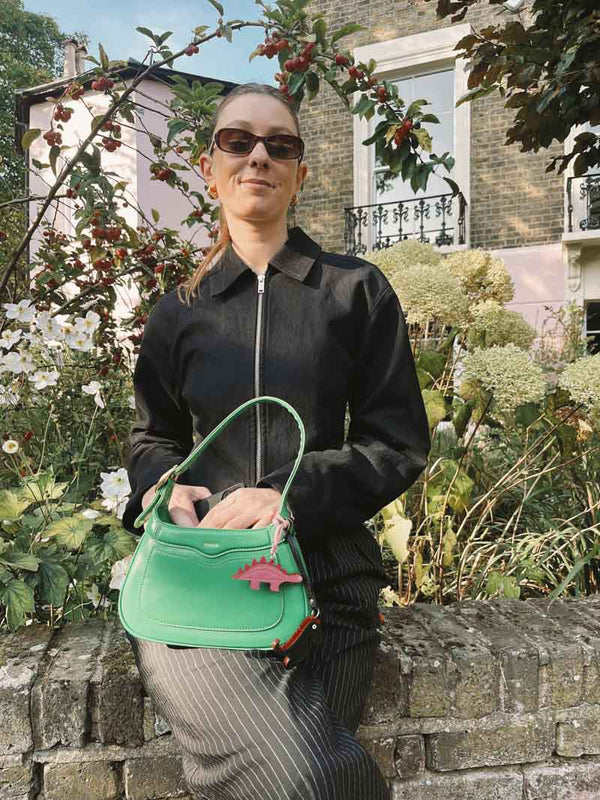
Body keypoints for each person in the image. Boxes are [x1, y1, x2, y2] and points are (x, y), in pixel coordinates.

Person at [121, 81, 431, 800]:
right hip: (201, 578)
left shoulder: (357, 291)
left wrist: (291, 497)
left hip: (327, 580)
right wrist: (167, 485)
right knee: (300, 777)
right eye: (239, 141)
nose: (258, 156)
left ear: (301, 173)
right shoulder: (181, 311)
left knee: (302, 778)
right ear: (210, 167)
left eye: (279, 146)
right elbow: (150, 438)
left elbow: (397, 442)